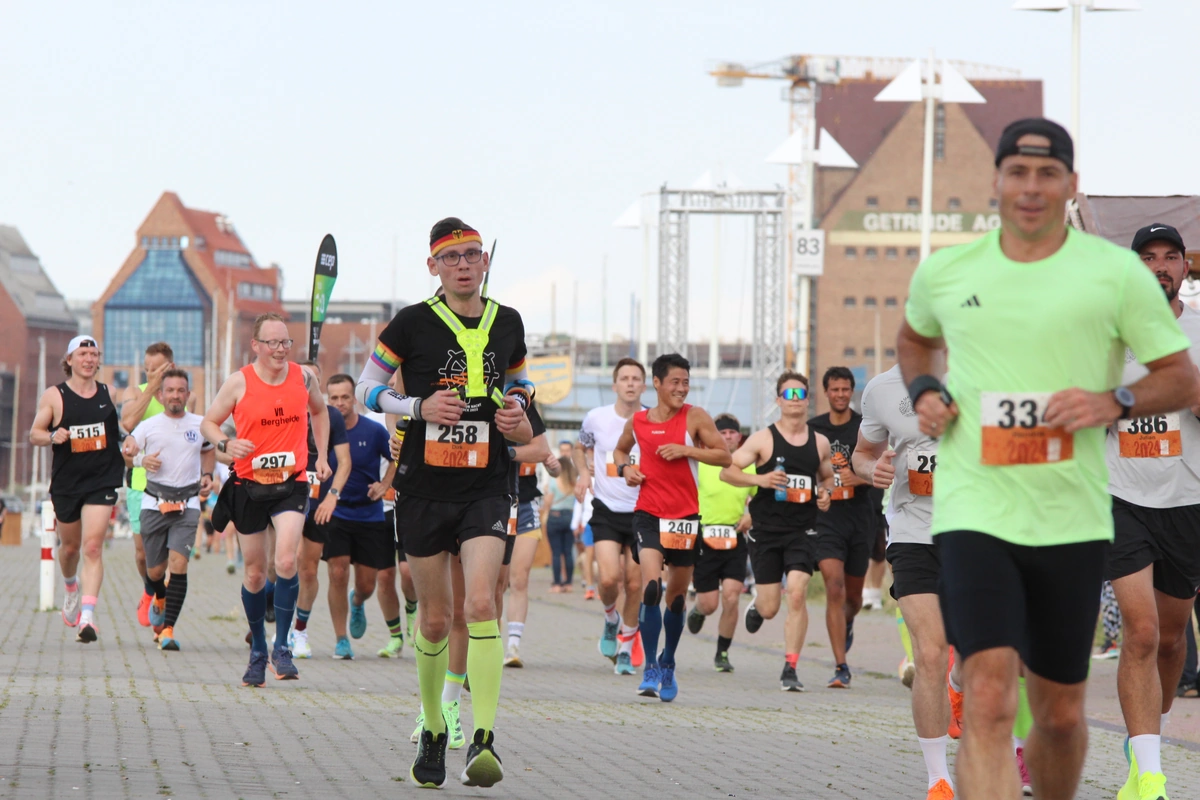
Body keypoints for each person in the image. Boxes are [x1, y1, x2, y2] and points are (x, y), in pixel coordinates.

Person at [898, 117, 1196, 799]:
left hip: (1071, 512)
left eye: (1047, 174)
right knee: (991, 695)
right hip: (977, 505)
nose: (1031, 188)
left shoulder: (1114, 273)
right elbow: (914, 340)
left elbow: (1180, 377)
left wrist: (1112, 400)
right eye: (1018, 173)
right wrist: (923, 388)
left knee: (1059, 716)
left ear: (1070, 186)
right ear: (996, 182)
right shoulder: (949, 271)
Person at [356, 217, 532, 788]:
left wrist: (519, 408)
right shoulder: (410, 323)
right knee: (433, 618)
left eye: (473, 254)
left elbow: (522, 382)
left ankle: (484, 739)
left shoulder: (508, 321)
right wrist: (415, 407)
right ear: (433, 265)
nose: (464, 263)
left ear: (485, 262)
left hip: (487, 483)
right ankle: (434, 728)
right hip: (424, 488)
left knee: (480, 604)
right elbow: (365, 389)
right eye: (452, 256)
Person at [1103, 222, 1200, 800]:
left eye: (1170, 257)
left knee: (1169, 640)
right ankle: (1150, 778)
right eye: (1148, 257)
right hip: (1121, 498)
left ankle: (1148, 739)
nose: (1159, 265)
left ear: (1186, 267)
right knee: (1139, 632)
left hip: (1188, 501)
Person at [203, 313, 331, 687]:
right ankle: (258, 648)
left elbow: (320, 412)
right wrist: (226, 443)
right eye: (272, 342)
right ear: (255, 345)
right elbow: (208, 424)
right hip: (249, 485)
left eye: (286, 342)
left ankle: (282, 646)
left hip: (291, 482)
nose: (280, 349)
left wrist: (321, 456)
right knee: (256, 573)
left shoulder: (303, 377)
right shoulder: (238, 382)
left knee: (287, 560)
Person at [853, 362, 958, 799]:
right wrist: (870, 471)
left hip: (977, 530)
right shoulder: (882, 389)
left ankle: (958, 687)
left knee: (976, 655)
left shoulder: (984, 367)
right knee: (930, 653)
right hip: (913, 533)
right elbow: (862, 453)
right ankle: (938, 779)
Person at [614, 353, 731, 701]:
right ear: (657, 383)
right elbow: (620, 453)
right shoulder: (638, 421)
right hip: (648, 513)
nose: (682, 388)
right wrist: (626, 471)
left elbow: (723, 455)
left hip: (685, 517)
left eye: (685, 382)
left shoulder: (694, 416)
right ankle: (650, 666)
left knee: (676, 598)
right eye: (675, 382)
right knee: (651, 589)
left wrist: (686, 450)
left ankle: (668, 661)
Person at [721, 374, 833, 690]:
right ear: (778, 400)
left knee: (797, 593)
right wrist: (761, 481)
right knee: (771, 607)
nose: (795, 397)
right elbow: (727, 471)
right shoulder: (762, 439)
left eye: (801, 392)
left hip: (804, 530)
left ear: (807, 399)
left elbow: (827, 478)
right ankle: (758, 605)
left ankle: (790, 667)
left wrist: (825, 494)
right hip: (766, 531)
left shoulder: (819, 442)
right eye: (789, 393)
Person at [30, 336, 125, 642]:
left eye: (93, 354)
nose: (88, 359)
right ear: (69, 360)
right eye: (82, 353)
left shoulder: (108, 393)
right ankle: (71, 586)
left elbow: (119, 431)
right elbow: (34, 433)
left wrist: (131, 440)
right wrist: (52, 435)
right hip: (68, 483)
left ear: (98, 360)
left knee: (93, 547)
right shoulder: (55, 396)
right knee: (70, 549)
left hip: (102, 479)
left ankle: (87, 617)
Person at [123, 369, 215, 651]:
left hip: (187, 503)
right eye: (170, 390)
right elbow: (127, 454)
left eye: (181, 390)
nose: (176, 395)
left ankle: (167, 629)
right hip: (154, 502)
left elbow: (208, 448)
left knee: (179, 565)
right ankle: (158, 596)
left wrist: (208, 475)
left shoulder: (200, 424)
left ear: (188, 395)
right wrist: (140, 461)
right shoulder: (148, 426)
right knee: (155, 571)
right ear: (161, 395)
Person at [574, 358, 648, 675]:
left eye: (636, 378)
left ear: (645, 385)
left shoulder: (652, 420)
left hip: (642, 509)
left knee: (634, 584)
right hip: (606, 508)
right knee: (608, 579)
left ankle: (626, 649)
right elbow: (580, 447)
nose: (630, 383)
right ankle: (609, 617)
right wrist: (582, 475)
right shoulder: (597, 418)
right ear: (615, 385)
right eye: (625, 378)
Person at [320, 374, 395, 660]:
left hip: (369, 515)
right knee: (337, 572)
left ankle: (358, 600)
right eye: (334, 398)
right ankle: (341, 640)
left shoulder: (373, 431)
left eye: (345, 397)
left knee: (367, 583)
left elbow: (396, 457)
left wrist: (385, 483)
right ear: (328, 400)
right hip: (336, 511)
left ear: (355, 399)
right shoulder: (323, 431)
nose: (340, 403)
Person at [808, 366, 875, 688]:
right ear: (826, 392)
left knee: (853, 600)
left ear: (852, 392)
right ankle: (840, 666)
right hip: (827, 519)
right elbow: (802, 468)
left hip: (860, 519)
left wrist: (859, 477)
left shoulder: (866, 428)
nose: (840, 394)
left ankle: (846, 622)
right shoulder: (814, 429)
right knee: (833, 588)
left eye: (845, 389)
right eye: (834, 389)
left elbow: (882, 467)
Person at [120, 343, 189, 630]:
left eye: (157, 370)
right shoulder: (135, 392)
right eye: (147, 370)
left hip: (177, 487)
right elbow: (128, 423)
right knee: (143, 554)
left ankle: (165, 607)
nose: (151, 374)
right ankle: (152, 591)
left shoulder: (184, 396)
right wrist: (151, 388)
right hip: (141, 484)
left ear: (170, 367)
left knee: (173, 555)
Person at [686, 413, 755, 673]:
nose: (727, 436)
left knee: (731, 596)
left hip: (735, 537)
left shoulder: (749, 466)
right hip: (705, 537)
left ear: (739, 437)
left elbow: (761, 497)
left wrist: (751, 515)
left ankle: (722, 652)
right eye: (722, 432)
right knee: (710, 603)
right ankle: (698, 611)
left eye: (732, 432)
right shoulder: (703, 464)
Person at [291, 362, 351, 660]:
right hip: (284, 497)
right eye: (303, 378)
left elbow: (345, 462)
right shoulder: (285, 411)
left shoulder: (332, 416)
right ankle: (272, 611)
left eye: (313, 378)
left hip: (319, 503)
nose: (308, 383)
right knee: (277, 566)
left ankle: (298, 630)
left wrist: (333, 497)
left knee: (307, 566)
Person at [503, 414, 557, 667]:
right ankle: (486, 641)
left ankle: (513, 646)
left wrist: (553, 465)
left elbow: (549, 462)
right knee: (496, 582)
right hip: (494, 504)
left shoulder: (530, 417)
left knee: (520, 578)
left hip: (525, 505)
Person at [543, 458, 577, 592]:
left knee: (556, 552)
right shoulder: (574, 482)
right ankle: (568, 583)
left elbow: (547, 502)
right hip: (570, 516)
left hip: (555, 517)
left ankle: (557, 584)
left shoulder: (553, 482)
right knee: (568, 552)